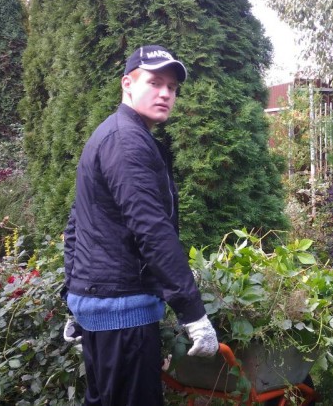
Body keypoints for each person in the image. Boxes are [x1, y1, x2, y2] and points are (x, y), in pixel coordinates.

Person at [62, 44, 218, 405]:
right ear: (127, 83)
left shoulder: (115, 133)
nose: (165, 93)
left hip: (103, 306)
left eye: (172, 87)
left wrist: (75, 299)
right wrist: (194, 314)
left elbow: (76, 225)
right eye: (155, 82)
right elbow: (152, 231)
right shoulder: (127, 142)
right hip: (122, 311)